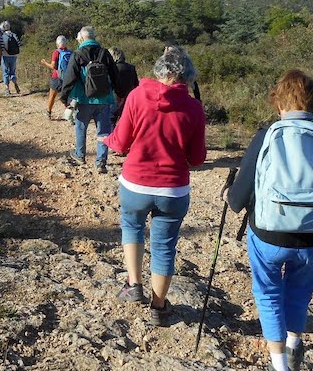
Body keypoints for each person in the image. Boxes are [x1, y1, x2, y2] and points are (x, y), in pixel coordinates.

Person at [225, 69, 313, 371]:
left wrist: (228, 195)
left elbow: (239, 197)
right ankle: (292, 343)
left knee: (268, 292)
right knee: (300, 291)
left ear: (278, 104)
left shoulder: (265, 136)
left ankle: (279, 363)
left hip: (268, 235)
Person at [104, 48, 206, 327]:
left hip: (135, 183)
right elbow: (196, 159)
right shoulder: (194, 108)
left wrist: (107, 141)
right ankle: (158, 307)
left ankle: (133, 284)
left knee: (132, 227)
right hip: (173, 190)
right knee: (163, 247)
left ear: (160, 70)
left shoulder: (137, 96)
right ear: (187, 77)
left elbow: (121, 142)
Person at [60, 26, 119, 172]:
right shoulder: (105, 53)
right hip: (104, 99)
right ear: (94, 37)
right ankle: (101, 162)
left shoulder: (77, 54)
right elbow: (115, 75)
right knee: (103, 131)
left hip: (83, 98)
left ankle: (80, 155)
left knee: (81, 127)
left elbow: (69, 78)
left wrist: (64, 98)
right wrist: (117, 93)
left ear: (81, 38)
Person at [40, 35, 71, 120]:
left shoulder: (56, 52)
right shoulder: (70, 52)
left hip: (56, 77)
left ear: (57, 43)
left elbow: (53, 66)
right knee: (67, 97)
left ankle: (48, 113)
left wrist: (45, 63)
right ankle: (69, 115)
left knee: (52, 96)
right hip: (67, 77)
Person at [108, 47, 139, 126]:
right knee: (125, 121)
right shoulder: (131, 67)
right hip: (128, 97)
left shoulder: (112, 68)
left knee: (111, 120)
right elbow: (136, 84)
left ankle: (112, 137)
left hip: (115, 96)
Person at [0, 20, 21, 95]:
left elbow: (1, 48)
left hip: (5, 56)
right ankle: (15, 83)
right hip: (14, 56)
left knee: (5, 72)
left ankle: (7, 88)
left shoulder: (2, 36)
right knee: (12, 72)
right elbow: (19, 44)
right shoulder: (14, 35)